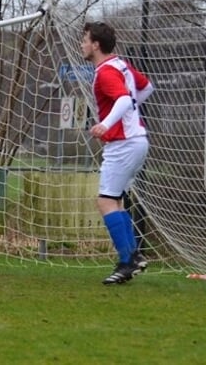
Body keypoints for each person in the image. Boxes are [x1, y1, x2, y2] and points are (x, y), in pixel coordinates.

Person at [81, 21, 153, 285]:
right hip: (136, 141)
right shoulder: (122, 65)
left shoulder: (106, 72)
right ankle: (132, 256)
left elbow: (124, 99)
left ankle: (128, 260)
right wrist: (129, 111)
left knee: (105, 201)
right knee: (116, 201)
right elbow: (146, 88)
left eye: (85, 40)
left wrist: (106, 124)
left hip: (123, 143)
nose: (82, 44)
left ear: (96, 44)